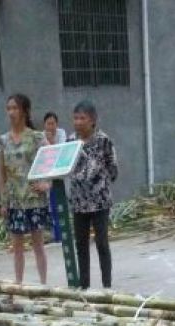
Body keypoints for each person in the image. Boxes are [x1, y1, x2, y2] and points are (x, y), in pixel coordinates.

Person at [0, 93, 49, 285]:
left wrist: (46, 184)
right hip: (14, 200)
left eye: (15, 108)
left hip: (34, 197)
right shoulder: (3, 140)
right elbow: (1, 173)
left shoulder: (37, 137)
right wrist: (3, 200)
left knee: (38, 244)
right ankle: (19, 284)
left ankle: (43, 284)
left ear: (25, 111)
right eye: (8, 108)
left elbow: (50, 161)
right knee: (16, 246)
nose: (11, 112)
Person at [69, 99, 118, 289]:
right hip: (78, 202)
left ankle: (107, 285)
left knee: (102, 243)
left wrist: (101, 183)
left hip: (100, 201)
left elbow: (113, 167)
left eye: (82, 118)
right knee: (81, 245)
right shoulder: (70, 142)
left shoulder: (103, 140)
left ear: (93, 120)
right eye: (75, 118)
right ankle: (84, 285)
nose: (78, 122)